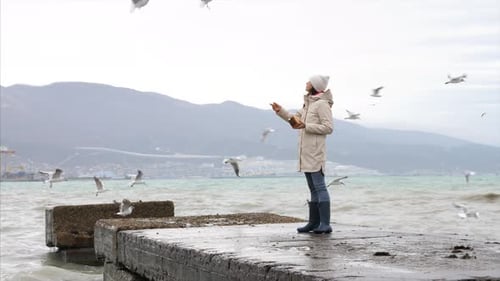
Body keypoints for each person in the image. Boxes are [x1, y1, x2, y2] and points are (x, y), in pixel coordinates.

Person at [271, 75, 333, 234]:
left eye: (309, 81)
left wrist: (307, 125)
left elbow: (328, 128)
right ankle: (313, 223)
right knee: (312, 188)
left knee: (319, 187)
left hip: (315, 153)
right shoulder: (308, 104)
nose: (306, 83)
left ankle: (325, 224)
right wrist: (281, 112)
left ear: (315, 85)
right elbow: (295, 120)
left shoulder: (322, 105)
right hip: (305, 153)